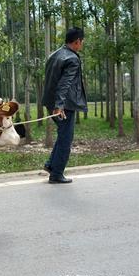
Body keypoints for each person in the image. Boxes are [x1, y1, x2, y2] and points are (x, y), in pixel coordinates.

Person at [41, 27, 87, 184]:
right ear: (77, 42)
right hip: (64, 105)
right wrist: (59, 105)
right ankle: (56, 174)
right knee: (66, 139)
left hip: (50, 102)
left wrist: (54, 104)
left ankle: (51, 165)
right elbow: (65, 83)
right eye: (82, 42)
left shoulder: (54, 54)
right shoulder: (72, 59)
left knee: (63, 135)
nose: (82, 45)